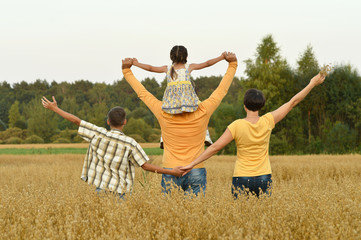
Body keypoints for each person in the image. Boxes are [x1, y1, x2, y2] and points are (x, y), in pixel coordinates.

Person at [180, 73, 326, 198]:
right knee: (262, 218)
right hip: (264, 177)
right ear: (261, 105)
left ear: (244, 105)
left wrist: (192, 164)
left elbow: (216, 147)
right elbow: (293, 102)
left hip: (241, 177)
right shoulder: (268, 120)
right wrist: (312, 83)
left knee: (242, 219)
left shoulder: (236, 125)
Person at [121, 52, 237, 196]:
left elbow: (143, 93)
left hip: (170, 169)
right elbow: (221, 90)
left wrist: (127, 71)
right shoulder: (203, 110)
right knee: (195, 215)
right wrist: (232, 64)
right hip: (196, 169)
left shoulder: (162, 111)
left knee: (170, 215)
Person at [41, 96, 184, 198]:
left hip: (101, 189)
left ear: (108, 121)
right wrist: (172, 172)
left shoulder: (99, 134)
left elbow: (76, 121)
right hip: (121, 193)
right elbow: (146, 166)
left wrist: (55, 109)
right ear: (125, 122)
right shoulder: (130, 143)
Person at [133, 46, 223, 147]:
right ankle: (206, 136)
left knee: (165, 116)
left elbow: (150, 68)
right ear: (186, 56)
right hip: (188, 100)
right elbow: (207, 63)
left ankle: (163, 138)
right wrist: (221, 57)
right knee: (202, 111)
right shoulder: (189, 67)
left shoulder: (167, 68)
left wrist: (136, 64)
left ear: (171, 57)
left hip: (171, 102)